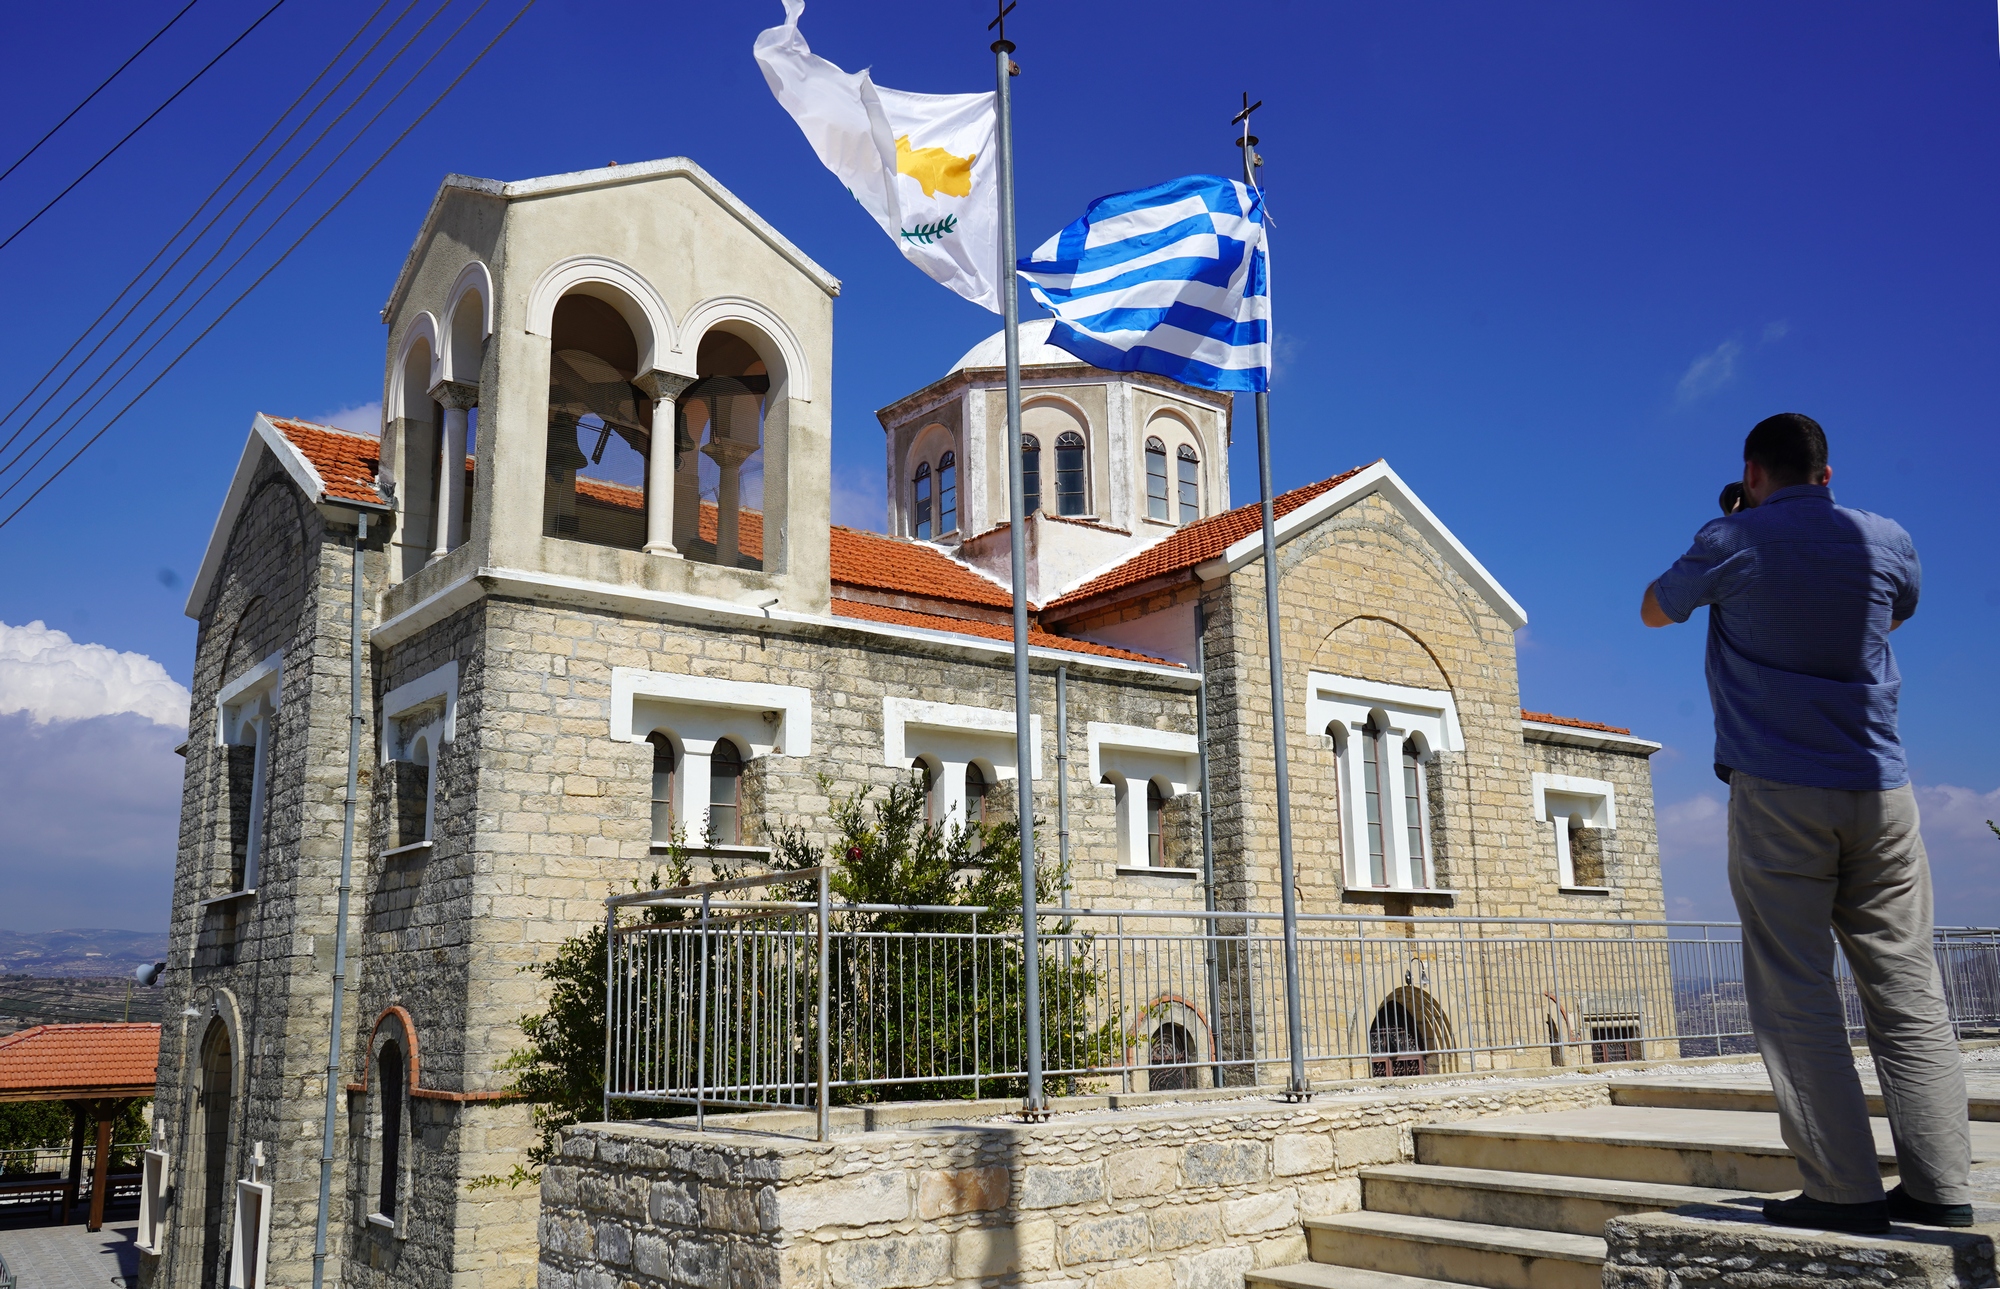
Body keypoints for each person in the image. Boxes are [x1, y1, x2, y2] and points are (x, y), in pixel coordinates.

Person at [1642, 412, 1971, 1234]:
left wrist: (1737, 534)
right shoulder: (1887, 537)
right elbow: (1897, 610)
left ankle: (1842, 1189)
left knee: (1795, 989)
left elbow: (1655, 609)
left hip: (1780, 790)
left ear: (1753, 473)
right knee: (1909, 989)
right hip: (1884, 790)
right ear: (1827, 475)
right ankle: (1940, 1186)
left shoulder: (1732, 537)